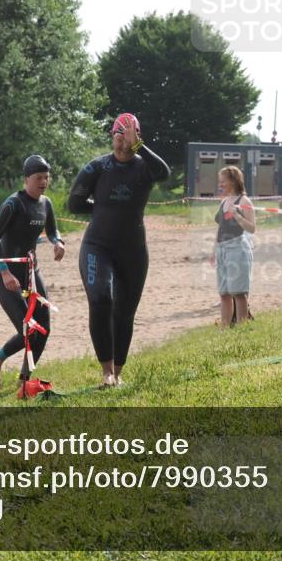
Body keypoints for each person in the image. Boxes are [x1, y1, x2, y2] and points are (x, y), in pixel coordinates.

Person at [68, 113, 170, 388]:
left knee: (125, 312)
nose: (121, 139)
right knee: (101, 299)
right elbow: (73, 204)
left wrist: (138, 147)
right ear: (111, 136)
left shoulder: (144, 167)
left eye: (127, 134)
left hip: (133, 250)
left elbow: (165, 173)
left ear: (136, 137)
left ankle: (118, 372)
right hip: (97, 246)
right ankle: (106, 372)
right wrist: (103, 211)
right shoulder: (97, 167)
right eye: (117, 133)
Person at [0, 155, 66, 398]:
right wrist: (6, 272)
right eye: (38, 178)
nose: (43, 182)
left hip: (32, 273)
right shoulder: (13, 204)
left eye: (46, 178)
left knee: (43, 329)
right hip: (7, 274)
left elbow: (52, 230)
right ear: (26, 179)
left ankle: (24, 380)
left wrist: (58, 241)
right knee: (27, 329)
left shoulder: (46, 203)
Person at [212, 166, 256, 327]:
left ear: (233, 180)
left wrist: (238, 216)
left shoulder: (244, 201)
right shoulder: (224, 201)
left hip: (238, 248)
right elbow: (220, 227)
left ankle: (241, 329)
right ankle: (224, 330)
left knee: (239, 293)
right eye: (220, 181)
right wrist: (213, 251)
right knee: (224, 294)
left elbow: (252, 228)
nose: (220, 184)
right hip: (222, 250)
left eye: (223, 181)